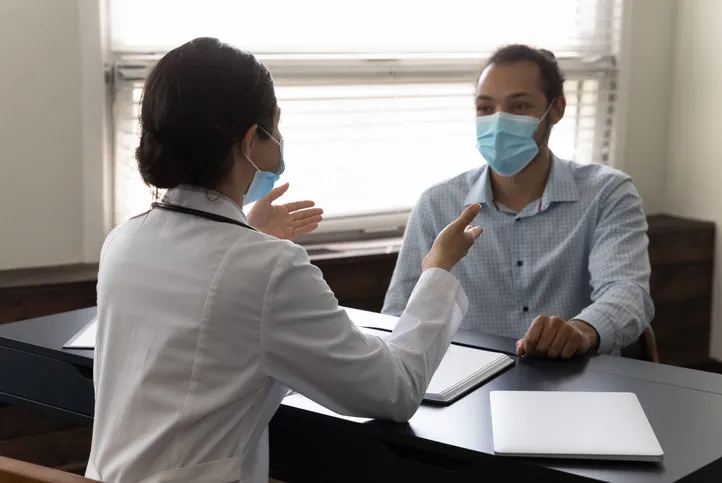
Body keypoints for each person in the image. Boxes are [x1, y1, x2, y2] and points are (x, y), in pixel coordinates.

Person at [86, 37, 482, 483]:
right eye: (275, 129)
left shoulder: (123, 241)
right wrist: (437, 272)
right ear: (251, 140)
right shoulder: (268, 268)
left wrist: (248, 233)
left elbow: (205, 318)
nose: (279, 144)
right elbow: (394, 388)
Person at [383, 44, 654, 359]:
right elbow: (398, 315)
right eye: (485, 108)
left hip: (577, 378)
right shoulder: (437, 203)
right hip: (466, 387)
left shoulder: (607, 192)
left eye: (520, 106)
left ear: (555, 109)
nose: (498, 122)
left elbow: (628, 293)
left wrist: (581, 330)